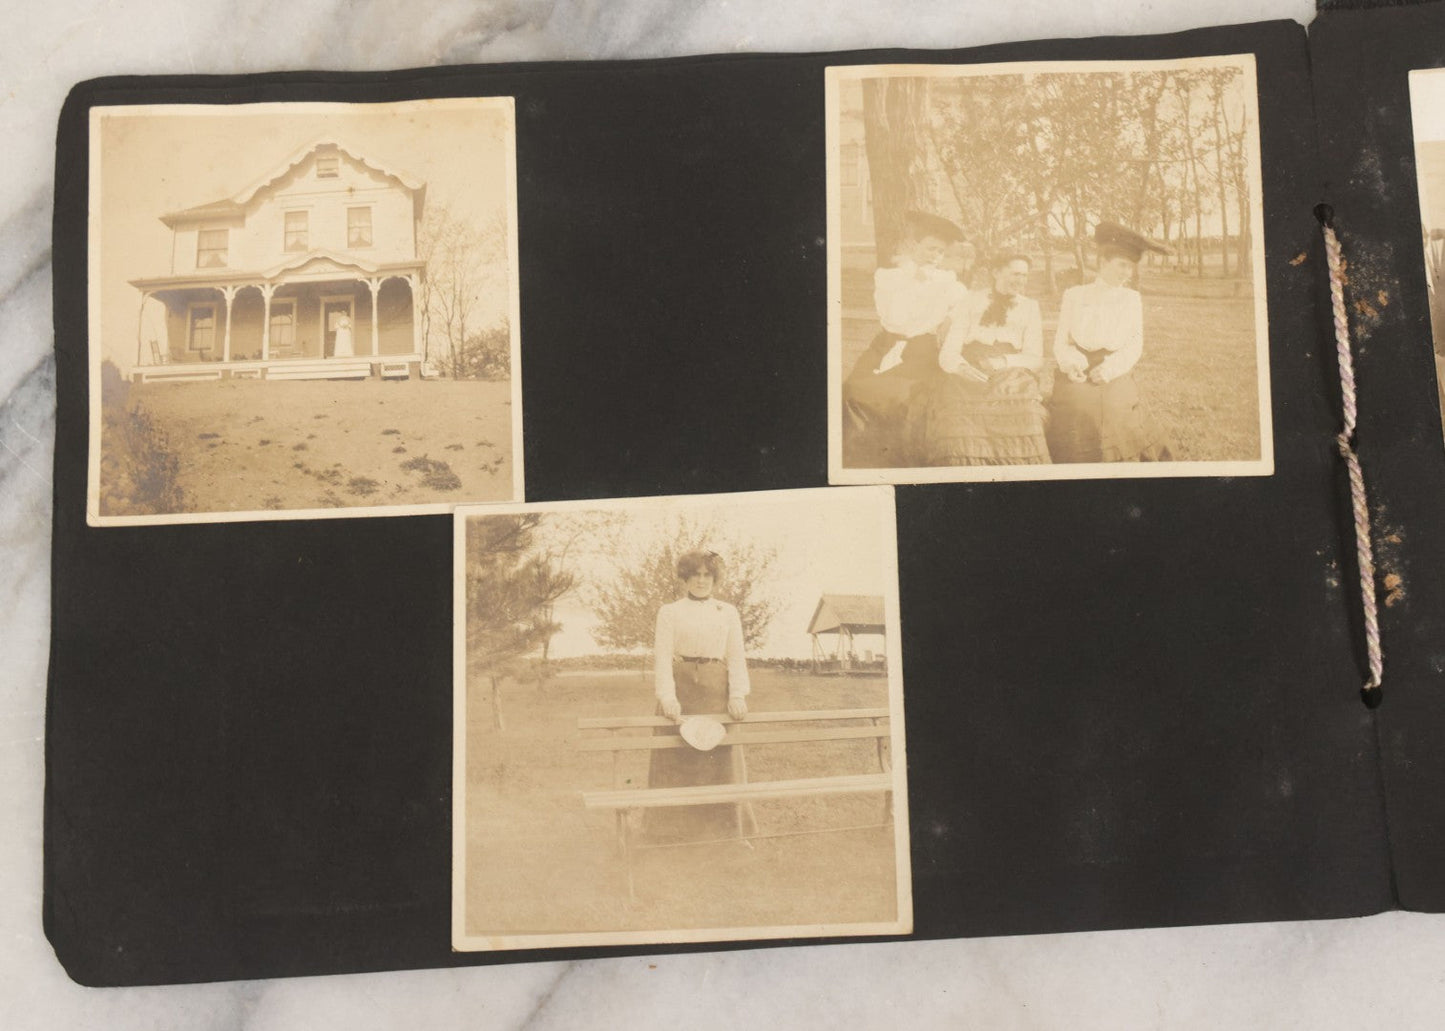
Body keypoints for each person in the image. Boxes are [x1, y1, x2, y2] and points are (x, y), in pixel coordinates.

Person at [842, 211, 967, 467]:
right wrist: (913, 282)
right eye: (930, 249)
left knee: (899, 395)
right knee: (854, 389)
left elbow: (961, 315)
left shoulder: (948, 283)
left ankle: (894, 460)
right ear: (914, 246)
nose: (935, 256)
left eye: (941, 252)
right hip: (885, 345)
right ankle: (860, 457)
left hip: (922, 351)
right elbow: (894, 317)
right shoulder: (889, 278)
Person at [1046, 222, 1175, 463]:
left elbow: (1134, 345)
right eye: (1122, 265)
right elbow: (1061, 340)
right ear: (1102, 262)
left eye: (1131, 268)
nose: (1127, 273)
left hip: (1115, 369)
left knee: (1114, 409)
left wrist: (1109, 370)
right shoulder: (1074, 295)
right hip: (1078, 370)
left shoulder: (1131, 298)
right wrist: (1071, 364)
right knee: (1078, 407)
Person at [646, 549, 750, 843]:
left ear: (715, 578)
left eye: (707, 575)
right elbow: (663, 657)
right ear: (685, 577)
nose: (701, 581)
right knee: (677, 760)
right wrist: (667, 697)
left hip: (717, 691)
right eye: (695, 574)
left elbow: (737, 655)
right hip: (682, 692)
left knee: (720, 762)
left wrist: (738, 694)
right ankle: (671, 834)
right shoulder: (670, 611)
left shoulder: (727, 612)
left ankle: (728, 831)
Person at [919, 253, 1050, 466]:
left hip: (1012, 370)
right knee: (956, 416)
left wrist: (1003, 362)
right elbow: (950, 350)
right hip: (969, 368)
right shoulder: (970, 301)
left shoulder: (1030, 306)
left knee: (1025, 412)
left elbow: (1035, 359)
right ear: (996, 272)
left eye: (1025, 276)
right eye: (1016, 274)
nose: (1021, 281)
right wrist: (960, 367)